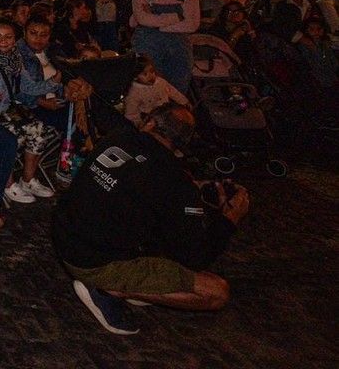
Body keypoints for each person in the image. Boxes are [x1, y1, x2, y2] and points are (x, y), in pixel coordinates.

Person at [52, 103, 249, 335]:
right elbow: (196, 256)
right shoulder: (175, 182)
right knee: (216, 292)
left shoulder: (120, 135)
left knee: (157, 224)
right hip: (91, 262)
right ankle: (111, 290)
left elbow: (138, 180)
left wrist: (191, 191)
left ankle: (133, 280)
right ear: (181, 145)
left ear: (151, 123)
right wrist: (230, 218)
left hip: (65, 232)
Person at [0, 20, 59, 205]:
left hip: (7, 109)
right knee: (12, 136)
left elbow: (28, 87)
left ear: (15, 39)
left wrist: (54, 81)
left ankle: (27, 180)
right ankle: (7, 183)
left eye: (8, 37)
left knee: (39, 129)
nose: (3, 41)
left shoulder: (15, 58)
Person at [131, 0, 201, 93]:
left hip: (178, 48)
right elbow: (142, 19)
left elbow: (192, 24)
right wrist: (177, 17)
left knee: (177, 89)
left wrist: (157, 23)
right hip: (148, 45)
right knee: (149, 89)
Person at [123, 56, 190, 127]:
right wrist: (137, 124)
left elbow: (173, 92)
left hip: (166, 113)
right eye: (145, 74)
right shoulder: (134, 92)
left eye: (152, 71)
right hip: (151, 119)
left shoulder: (160, 82)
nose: (150, 76)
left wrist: (184, 101)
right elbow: (131, 112)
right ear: (135, 77)